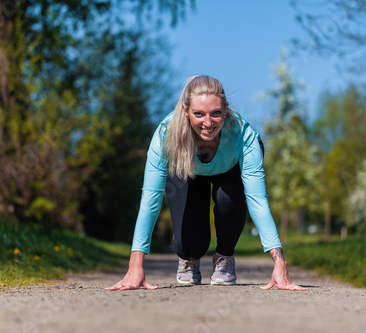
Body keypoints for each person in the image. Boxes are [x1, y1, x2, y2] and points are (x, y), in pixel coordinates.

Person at [105, 75, 307, 291]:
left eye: (216, 113)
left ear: (226, 109)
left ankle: (224, 258)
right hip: (187, 170)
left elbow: (257, 199)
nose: (208, 123)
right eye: (199, 114)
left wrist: (279, 262)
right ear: (185, 111)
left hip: (229, 172)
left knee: (226, 198)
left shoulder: (244, 135)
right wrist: (135, 264)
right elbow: (150, 199)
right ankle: (188, 256)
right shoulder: (166, 135)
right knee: (189, 245)